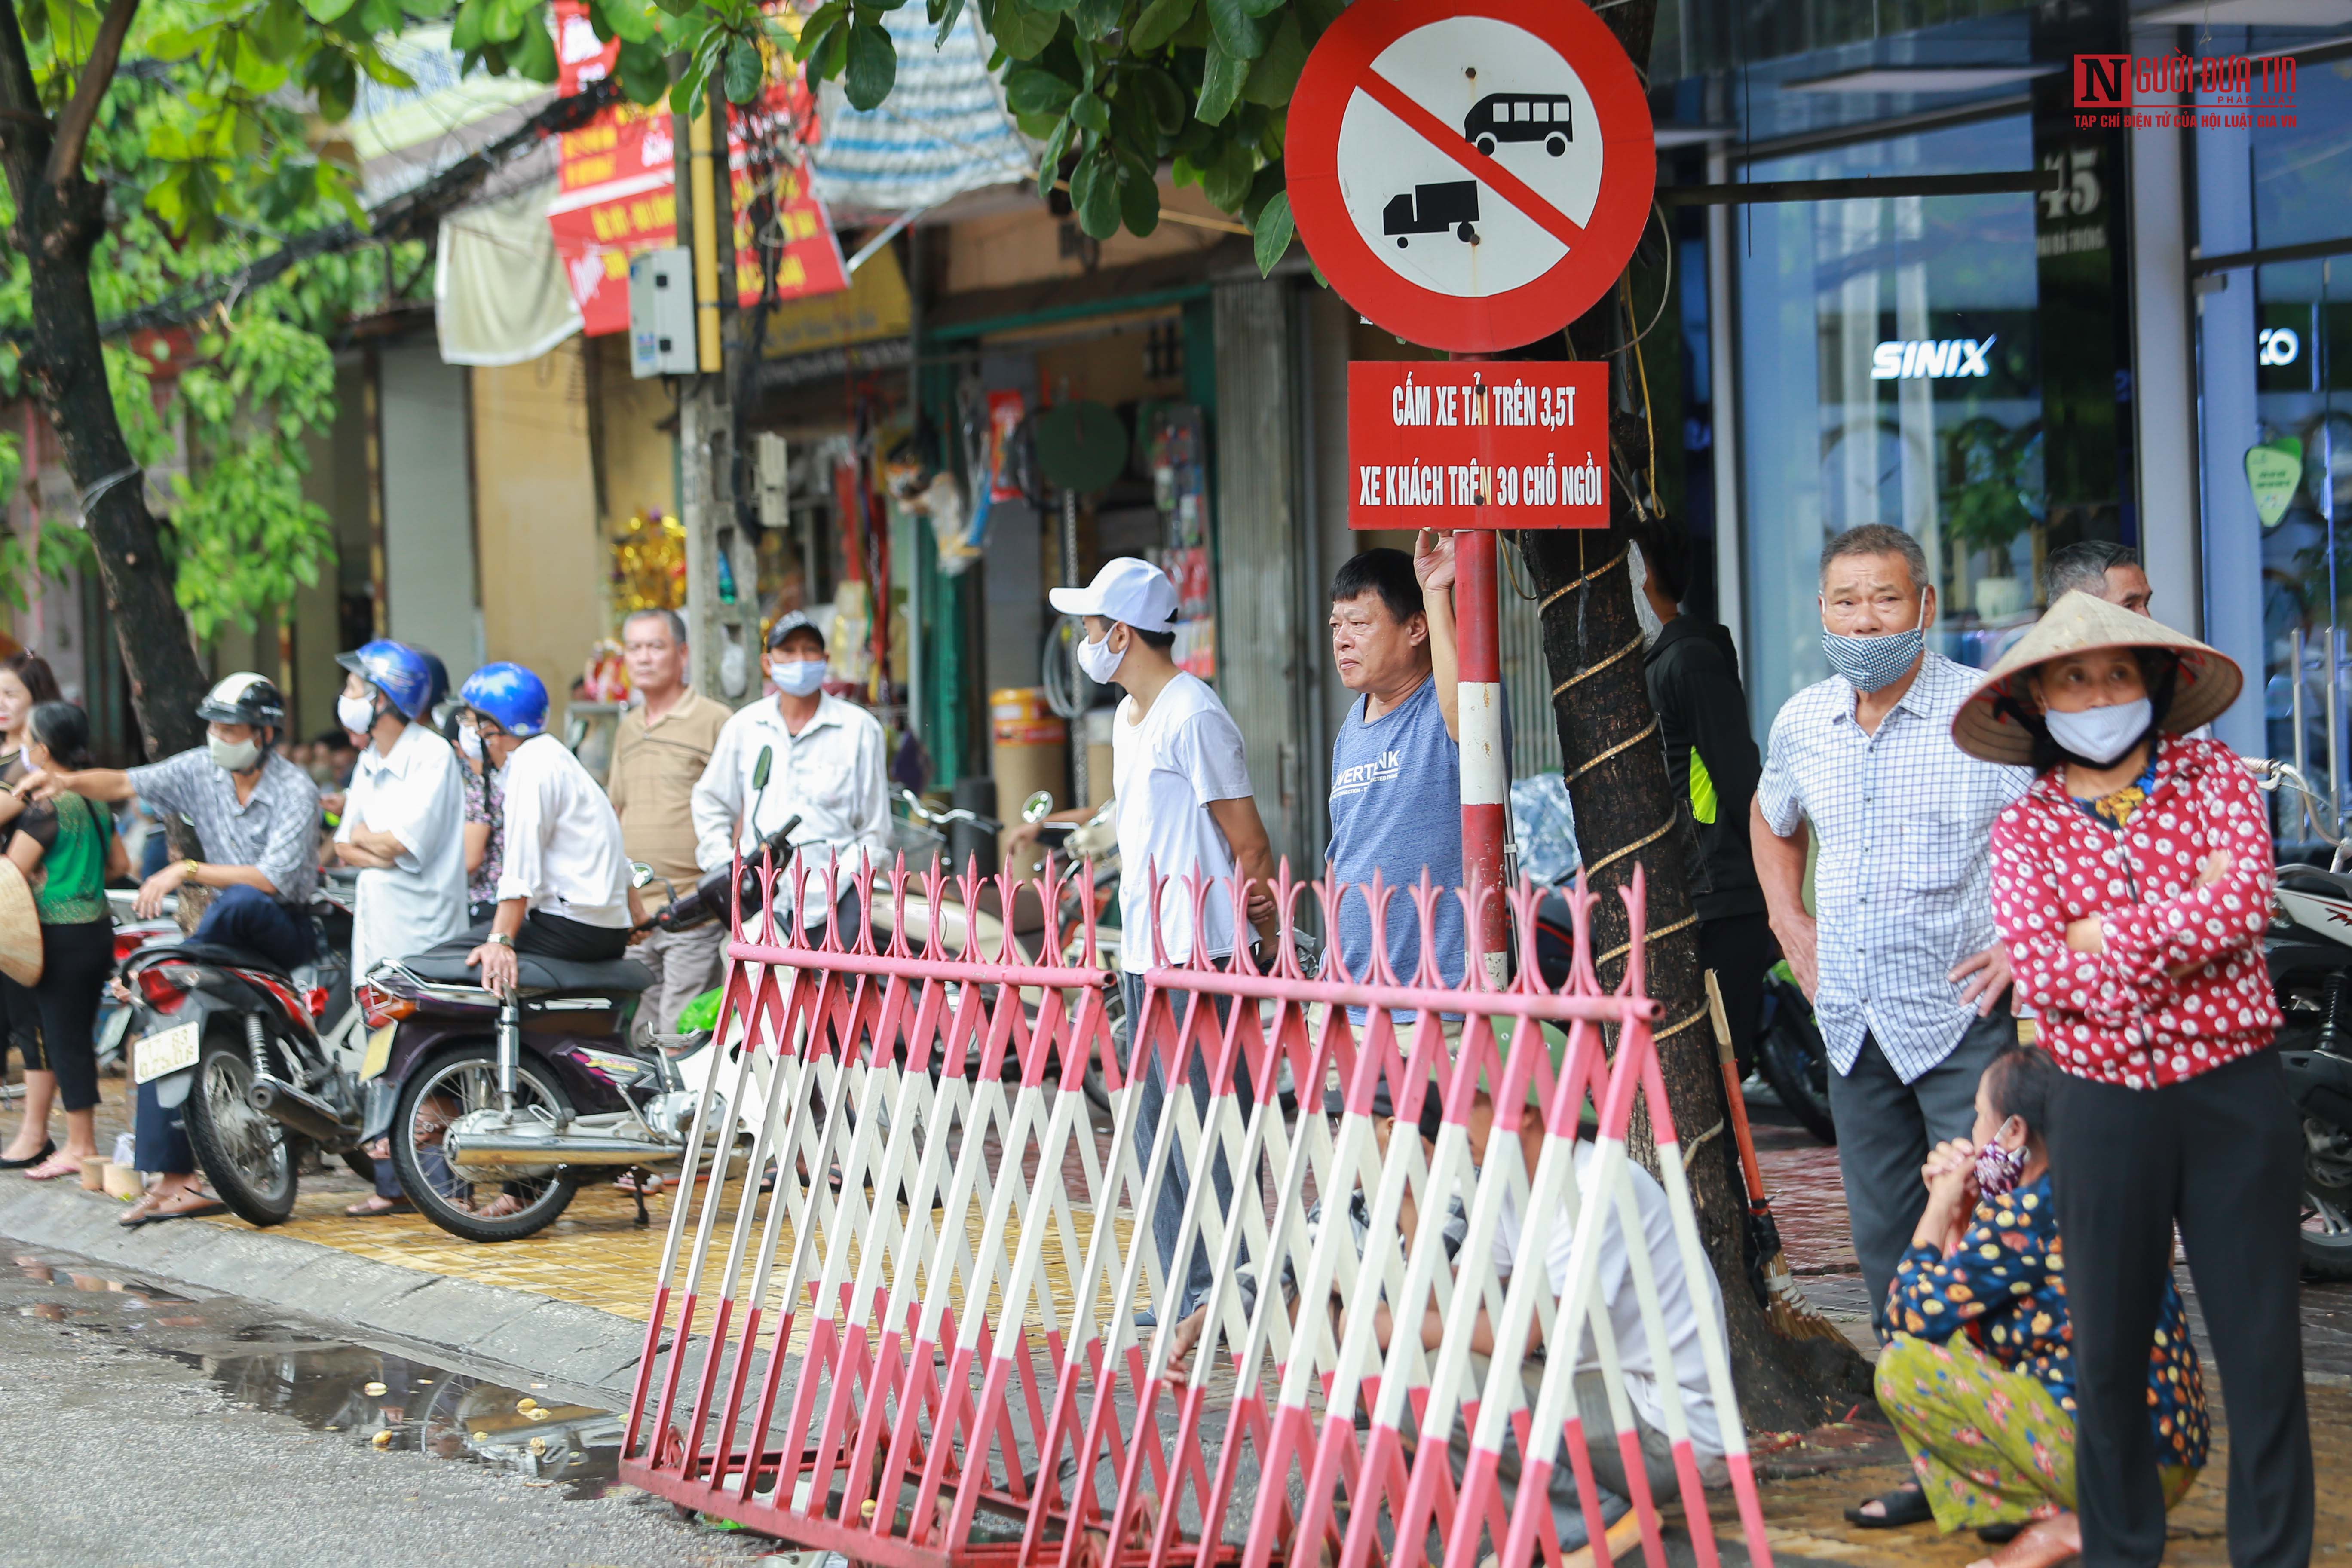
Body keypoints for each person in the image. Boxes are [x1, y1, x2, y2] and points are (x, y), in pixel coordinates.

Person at [1957, 591, 2312, 1568]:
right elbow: (2041, 966)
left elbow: (2239, 904)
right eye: (2072, 677)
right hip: (2098, 1103)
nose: (2096, 691)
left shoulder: (2213, 779)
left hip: (2230, 1094)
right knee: (2104, 1354)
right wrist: (2164, 919)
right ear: (2035, 697)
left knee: (2260, 1354)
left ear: (2154, 682)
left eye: (2116, 672)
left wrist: (2100, 931)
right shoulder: (2024, 826)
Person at [1750, 524, 2030, 1343]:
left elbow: (2060, 828)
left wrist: (2023, 942)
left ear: (1924, 604)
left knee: (1984, 1219)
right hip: (1850, 1019)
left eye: (1884, 597)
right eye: (1846, 601)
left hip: (1962, 1018)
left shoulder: (1990, 712)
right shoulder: (1803, 721)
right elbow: (1772, 823)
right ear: (1822, 613)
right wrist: (1786, 918)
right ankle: (1918, 1403)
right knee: (1882, 1236)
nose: (1865, 620)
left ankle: (2002, 1404)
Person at [1014, 557, 1278, 1348]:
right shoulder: (1133, 716)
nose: (1085, 643)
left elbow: (1250, 844)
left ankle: (1227, 1296)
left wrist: (1252, 944)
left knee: (1210, 1127)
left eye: (1091, 629)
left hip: (1202, 956)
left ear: (1121, 633)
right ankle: (1182, 1293)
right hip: (1147, 952)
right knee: (1156, 1129)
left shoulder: (1193, 714)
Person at [1866, 1039, 2206, 1564]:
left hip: (2112, 1469)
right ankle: (2077, 1515)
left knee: (1902, 1367)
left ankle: (2075, 1521)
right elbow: (1966, 1306)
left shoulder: (2023, 1215)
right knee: (1956, 1342)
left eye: (1981, 1118)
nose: (1974, 1136)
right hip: (2170, 1460)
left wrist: (1937, 1209)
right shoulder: (2099, 1190)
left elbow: (1904, 1322)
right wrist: (1964, 1216)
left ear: (2015, 1132)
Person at [21, 672, 319, 1225]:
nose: (218, 737)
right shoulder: (198, 769)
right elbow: (123, 784)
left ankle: (174, 962)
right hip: (225, 938)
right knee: (165, 1019)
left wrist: (184, 869)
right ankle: (174, 1179)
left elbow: (271, 880)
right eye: (214, 726)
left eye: (231, 728)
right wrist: (65, 783)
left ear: (264, 733)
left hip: (281, 925)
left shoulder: (295, 789)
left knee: (234, 905)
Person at [329, 640, 467, 1218]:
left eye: (358, 689)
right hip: (379, 932)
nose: (348, 698)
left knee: (428, 1060)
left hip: (422, 932)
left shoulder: (432, 756)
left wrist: (369, 842)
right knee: (383, 1057)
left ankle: (447, 1188)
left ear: (386, 698)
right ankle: (393, 1186)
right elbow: (344, 842)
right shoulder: (369, 760)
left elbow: (398, 844)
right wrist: (368, 844)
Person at [1631, 521, 1769, 1076]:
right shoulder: (1650, 664)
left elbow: (1740, 782)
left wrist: (1776, 895)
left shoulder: (1689, 659)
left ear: (1641, 577)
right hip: (1683, 899)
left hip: (1720, 899)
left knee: (1720, 1075)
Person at [1327, 542, 1476, 1005]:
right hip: (1349, 995)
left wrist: (1435, 594)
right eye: (1336, 625)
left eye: (1359, 624)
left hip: (1434, 1001)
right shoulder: (1352, 726)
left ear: (1415, 628)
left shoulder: (1446, 706)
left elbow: (1470, 721)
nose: (1342, 639)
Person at [692, 612, 889, 939]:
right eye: (788, 651)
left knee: (838, 990)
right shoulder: (745, 727)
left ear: (825, 660)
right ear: (768, 663)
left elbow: (875, 828)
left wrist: (848, 882)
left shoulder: (859, 730)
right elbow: (710, 800)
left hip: (840, 902)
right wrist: (729, 866)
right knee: (766, 990)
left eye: (810, 651)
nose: (800, 661)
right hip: (762, 903)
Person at [456, 663, 642, 995]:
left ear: (492, 728)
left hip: (571, 926)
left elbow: (520, 867)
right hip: (606, 927)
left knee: (450, 957)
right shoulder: (555, 756)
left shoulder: (531, 765)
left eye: (470, 722)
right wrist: (637, 914)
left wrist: (500, 942)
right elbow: (611, 847)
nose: (465, 731)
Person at [0, 703, 128, 1181]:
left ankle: (80, 1145)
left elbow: (11, 872)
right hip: (95, 932)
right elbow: (117, 865)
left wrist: (39, 876)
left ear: (42, 751)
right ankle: (80, 1142)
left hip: (56, 937)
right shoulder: (96, 802)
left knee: (64, 1041)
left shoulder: (46, 807)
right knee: (76, 1039)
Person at [607, 608, 730, 1032]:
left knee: (683, 1035)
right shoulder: (627, 727)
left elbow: (738, 809)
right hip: (640, 917)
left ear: (682, 654)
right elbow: (617, 810)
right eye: (634, 648)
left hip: (694, 911)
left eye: (655, 647)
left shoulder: (715, 720)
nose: (643, 658)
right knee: (639, 1039)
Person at [2041, 542, 2210, 741]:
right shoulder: (2027, 716)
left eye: (2145, 604)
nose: (2147, 618)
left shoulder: (2174, 701)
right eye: (2129, 606)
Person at [0, 652, 64, 1099]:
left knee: (27, 1019)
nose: (0, 703)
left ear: (36, 699)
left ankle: (37, 1132)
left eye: (10, 694)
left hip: (24, 905)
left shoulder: (37, 762)